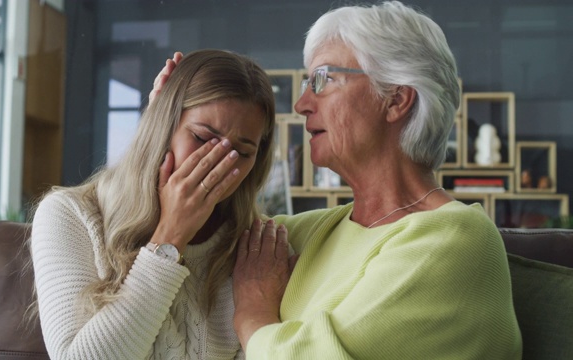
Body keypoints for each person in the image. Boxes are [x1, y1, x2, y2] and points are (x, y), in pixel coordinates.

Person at [149, 1, 525, 358]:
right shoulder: (307, 233)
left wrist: (254, 315)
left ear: (396, 100)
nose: (301, 105)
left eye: (323, 79)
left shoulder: (453, 239)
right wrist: (163, 128)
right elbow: (188, 235)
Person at [29, 49, 277, 359]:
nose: (219, 165)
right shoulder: (68, 215)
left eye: (241, 153)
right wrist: (170, 237)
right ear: (163, 125)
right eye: (202, 138)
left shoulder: (256, 249)